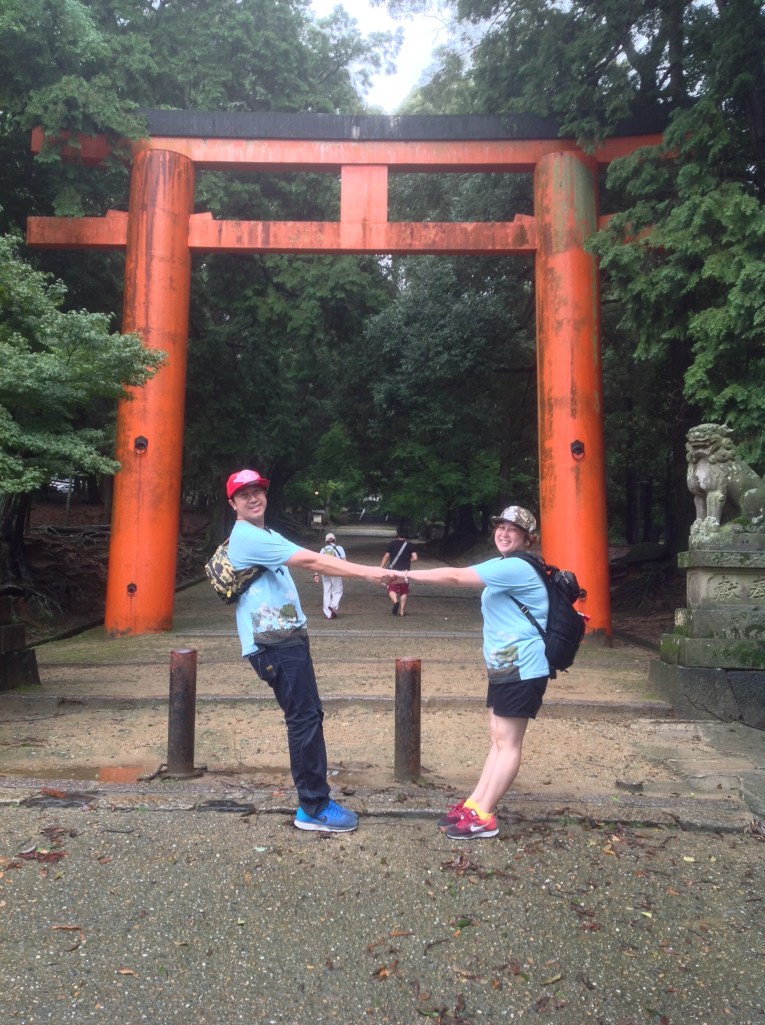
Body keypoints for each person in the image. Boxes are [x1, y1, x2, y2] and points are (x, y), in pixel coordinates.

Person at [224, 469, 388, 834]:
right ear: (232, 502)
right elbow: (312, 561)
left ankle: (314, 801)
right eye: (244, 494)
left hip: (286, 638)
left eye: (258, 491)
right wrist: (367, 573)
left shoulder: (265, 533)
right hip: (273, 644)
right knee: (303, 719)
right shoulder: (247, 537)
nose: (254, 498)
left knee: (309, 715)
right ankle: (313, 806)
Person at [385, 505, 549, 840]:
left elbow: (457, 576)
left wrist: (404, 575)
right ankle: (476, 803)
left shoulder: (517, 566)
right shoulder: (505, 564)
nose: (504, 533)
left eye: (513, 530)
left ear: (527, 540)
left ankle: (485, 815)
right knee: (498, 738)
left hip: (523, 665)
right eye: (500, 526)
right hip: (505, 665)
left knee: (508, 741)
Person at [380, 528, 418, 616]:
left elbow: (386, 556)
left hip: (393, 571)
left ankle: (395, 601)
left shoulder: (392, 544)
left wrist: (381, 567)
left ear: (398, 534)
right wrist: (407, 561)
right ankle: (402, 611)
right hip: (405, 572)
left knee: (391, 588)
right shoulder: (410, 545)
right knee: (404, 591)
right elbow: (415, 558)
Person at [315, 532, 346, 619]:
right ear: (334, 540)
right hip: (336, 571)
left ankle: (328, 614)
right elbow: (344, 561)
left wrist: (316, 574)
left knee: (327, 592)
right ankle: (333, 606)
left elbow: (317, 563)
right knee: (338, 591)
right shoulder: (339, 548)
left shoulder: (323, 550)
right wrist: (348, 572)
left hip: (325, 572)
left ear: (326, 541)